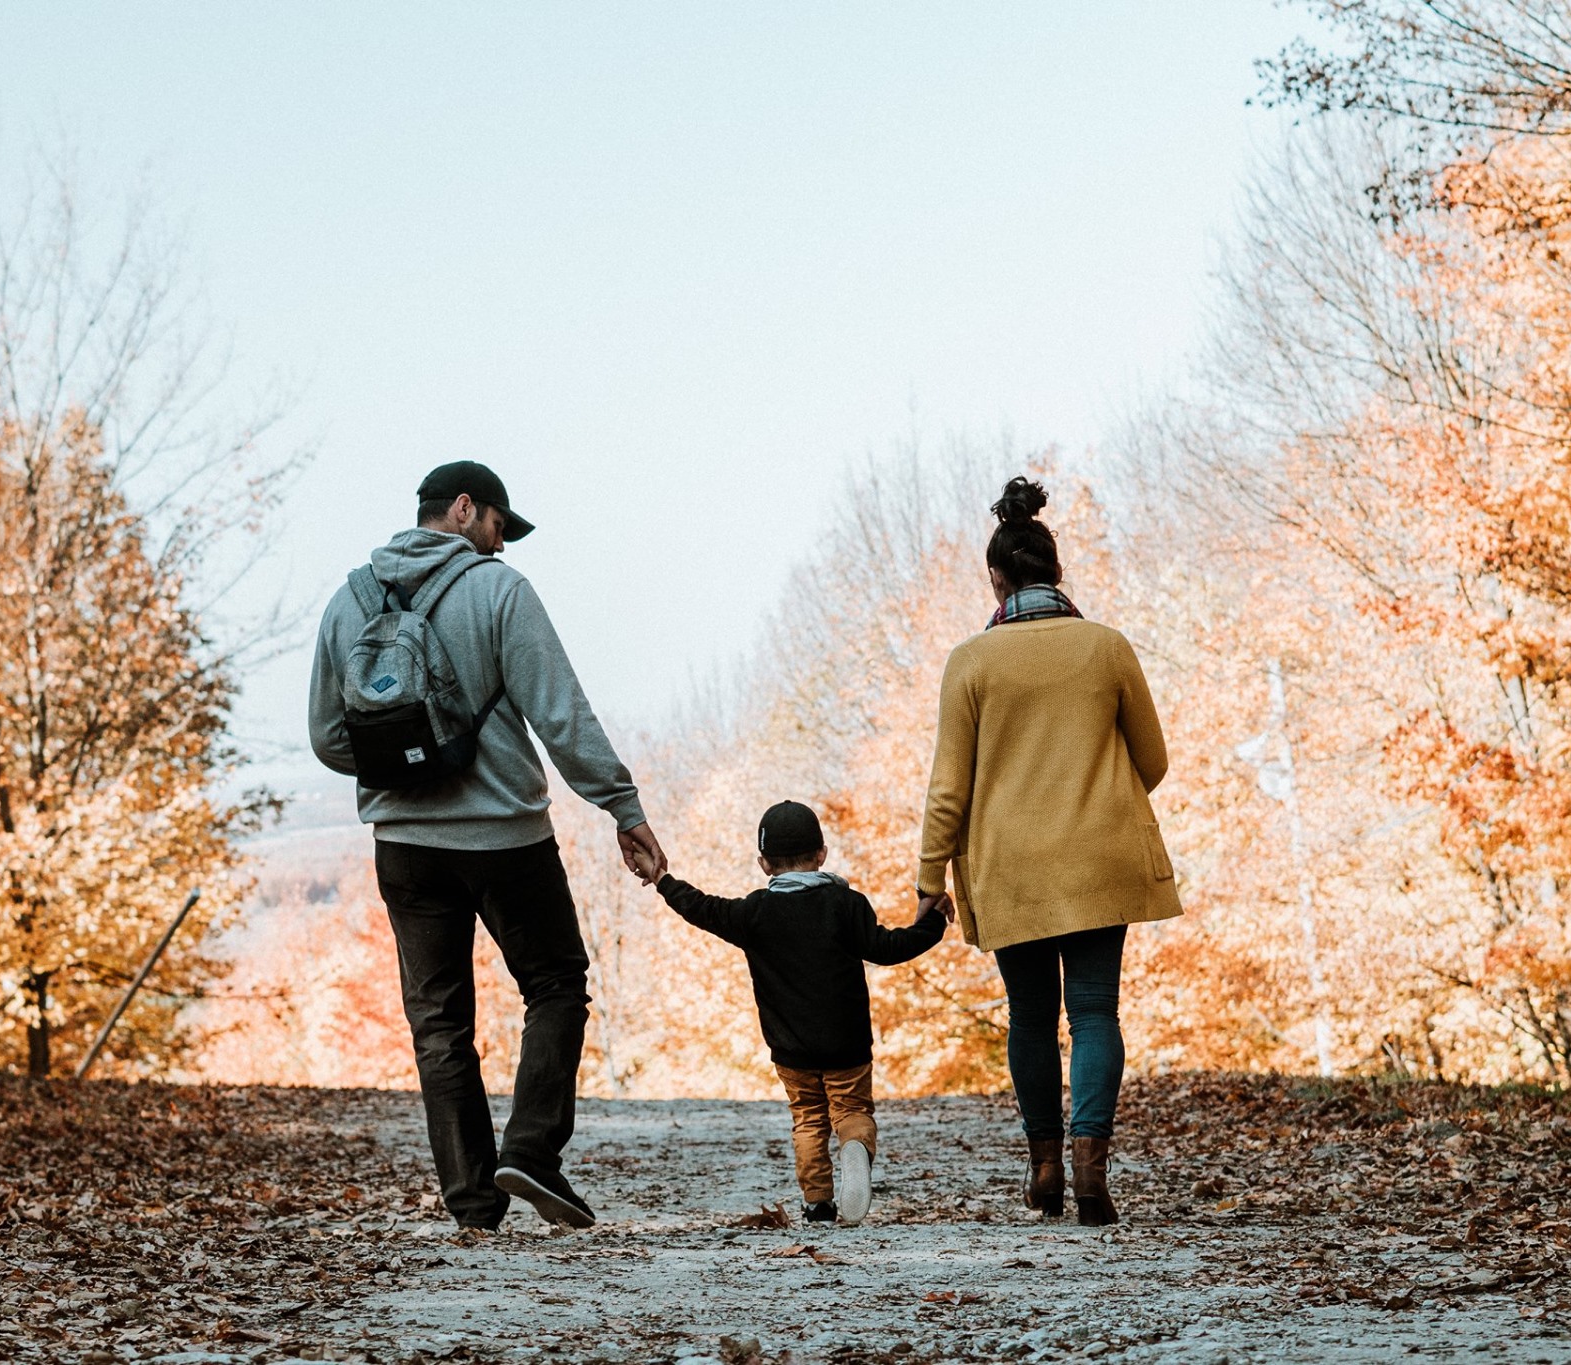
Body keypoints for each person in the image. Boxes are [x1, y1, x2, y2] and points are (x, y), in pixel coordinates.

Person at [308, 459, 666, 1231]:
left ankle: (473, 1203)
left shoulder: (349, 600)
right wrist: (622, 807)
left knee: (439, 1022)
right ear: (465, 508)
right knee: (557, 981)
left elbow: (328, 737)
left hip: (403, 843)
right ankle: (531, 1151)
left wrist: (406, 766)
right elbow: (561, 715)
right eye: (501, 526)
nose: (503, 546)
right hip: (504, 833)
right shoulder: (500, 591)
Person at [915, 476, 1181, 1227]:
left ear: (996, 579)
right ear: (1057, 574)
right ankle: (1094, 1164)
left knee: (1031, 1019)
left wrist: (928, 875)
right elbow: (1152, 760)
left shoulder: (970, 662)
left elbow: (948, 786)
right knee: (1095, 1012)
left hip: (1012, 869)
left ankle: (1045, 1167)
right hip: (1101, 858)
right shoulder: (1107, 647)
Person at [633, 801, 948, 1225]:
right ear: (822, 854)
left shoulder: (753, 912)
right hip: (847, 1042)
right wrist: (932, 923)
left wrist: (662, 879)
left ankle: (818, 1203)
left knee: (809, 1119)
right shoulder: (845, 903)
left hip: (790, 1049)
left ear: (764, 863)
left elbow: (700, 907)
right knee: (851, 1110)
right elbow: (889, 948)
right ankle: (854, 1146)